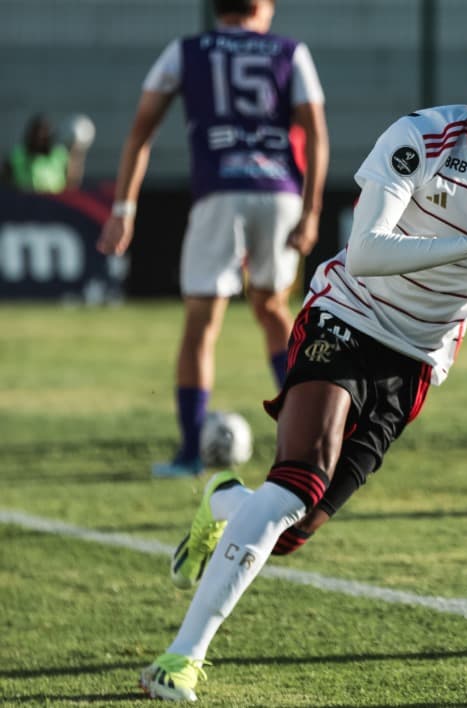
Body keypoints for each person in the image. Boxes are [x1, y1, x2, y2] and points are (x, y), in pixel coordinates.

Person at [138, 32, 467, 701]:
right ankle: (181, 657)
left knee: (293, 528)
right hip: (347, 314)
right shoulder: (421, 138)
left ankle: (222, 500)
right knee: (298, 477)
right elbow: (365, 252)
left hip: (418, 360)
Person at [97, 0, 329, 477]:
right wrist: (311, 212)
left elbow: (141, 130)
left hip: (219, 192)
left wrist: (124, 208)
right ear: (263, 8)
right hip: (278, 193)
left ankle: (188, 455)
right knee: (272, 311)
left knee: (202, 324)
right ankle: (303, 442)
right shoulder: (290, 51)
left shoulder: (186, 51)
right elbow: (317, 134)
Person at [2, 113, 91, 193]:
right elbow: (4, 181)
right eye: (36, 133)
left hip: (52, 203)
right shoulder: (17, 155)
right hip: (23, 204)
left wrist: (77, 154)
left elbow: (72, 183)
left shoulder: (60, 156)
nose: (39, 137)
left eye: (44, 132)